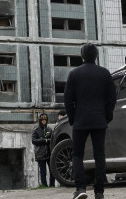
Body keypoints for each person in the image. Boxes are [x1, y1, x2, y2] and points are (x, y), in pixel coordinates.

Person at [64, 43, 116, 199]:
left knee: (78, 154)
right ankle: (99, 192)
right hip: (99, 119)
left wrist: (72, 117)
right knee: (99, 155)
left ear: (82, 56)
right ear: (96, 56)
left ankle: (81, 189)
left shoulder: (74, 74)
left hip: (80, 120)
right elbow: (112, 98)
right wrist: (107, 116)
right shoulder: (105, 74)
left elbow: (67, 99)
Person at [32, 113, 55, 187]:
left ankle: (52, 185)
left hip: (49, 152)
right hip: (40, 153)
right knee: (43, 172)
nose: (44, 121)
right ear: (40, 120)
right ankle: (44, 185)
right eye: (42, 120)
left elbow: (52, 139)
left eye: (45, 120)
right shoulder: (36, 130)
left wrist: (45, 140)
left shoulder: (49, 129)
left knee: (52, 171)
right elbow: (34, 141)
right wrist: (44, 140)